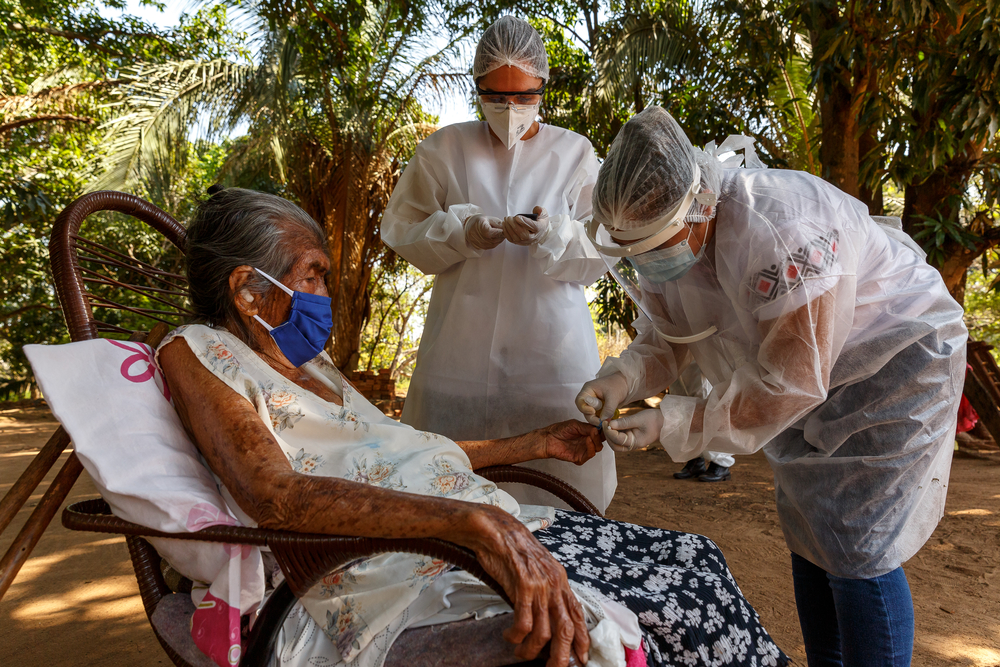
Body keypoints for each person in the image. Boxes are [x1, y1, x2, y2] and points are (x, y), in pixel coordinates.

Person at [157, 187, 789, 667]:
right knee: (617, 625)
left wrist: (534, 445)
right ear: (246, 289)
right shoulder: (198, 351)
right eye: (313, 273)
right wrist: (470, 523)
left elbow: (400, 451)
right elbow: (276, 496)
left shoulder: (308, 364)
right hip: (398, 562)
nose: (326, 290)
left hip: (469, 523)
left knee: (692, 561)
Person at [575, 107, 967, 667]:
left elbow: (789, 383)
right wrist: (623, 377)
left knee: (858, 547)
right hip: (809, 374)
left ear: (699, 202)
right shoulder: (664, 232)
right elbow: (671, 333)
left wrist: (673, 421)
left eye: (655, 246)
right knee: (813, 534)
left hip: (895, 364)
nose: (648, 262)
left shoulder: (783, 227)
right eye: (632, 250)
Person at [380, 16, 616, 512]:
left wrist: (554, 234)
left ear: (543, 88)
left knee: (559, 503)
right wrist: (460, 232)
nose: (511, 109)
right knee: (451, 497)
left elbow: (604, 249)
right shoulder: (444, 150)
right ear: (477, 86)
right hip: (457, 361)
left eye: (524, 96)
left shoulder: (574, 154)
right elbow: (402, 230)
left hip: (550, 361)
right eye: (496, 96)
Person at [668, 361, 734, 482]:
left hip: (701, 350)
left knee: (706, 403)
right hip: (679, 350)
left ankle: (720, 463)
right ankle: (695, 459)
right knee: (682, 402)